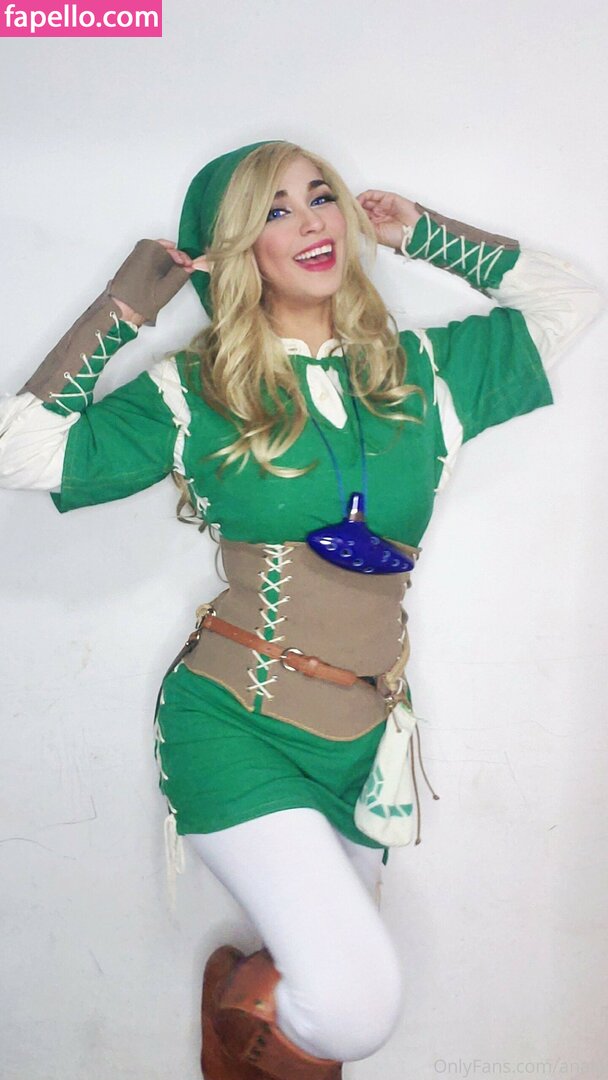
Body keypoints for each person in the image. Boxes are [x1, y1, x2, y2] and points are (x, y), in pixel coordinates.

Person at [0, 139, 603, 1080]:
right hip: (235, 724)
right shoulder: (197, 388)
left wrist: (428, 235)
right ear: (237, 248)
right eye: (275, 210)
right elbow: (22, 454)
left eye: (321, 197)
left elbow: (572, 300)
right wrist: (128, 303)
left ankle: (247, 1013)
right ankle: (240, 1012)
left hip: (365, 737)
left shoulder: (421, 371)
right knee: (357, 1011)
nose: (312, 221)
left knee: (333, 1003)